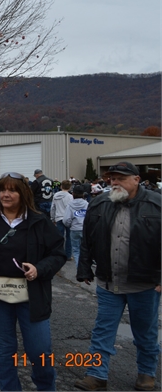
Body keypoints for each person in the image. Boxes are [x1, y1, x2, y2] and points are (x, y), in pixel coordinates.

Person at [0, 172, 65, 391]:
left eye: (12, 190)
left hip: (31, 297)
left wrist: (39, 269)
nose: (6, 194)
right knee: (5, 351)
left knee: (39, 352)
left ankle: (46, 387)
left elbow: (58, 254)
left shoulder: (39, 221)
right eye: (2, 189)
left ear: (23, 193)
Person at [74, 161, 161, 392]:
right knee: (102, 330)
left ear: (136, 180)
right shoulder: (100, 203)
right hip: (108, 282)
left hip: (144, 283)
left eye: (121, 178)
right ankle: (96, 375)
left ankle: (146, 374)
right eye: (112, 178)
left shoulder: (157, 204)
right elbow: (87, 238)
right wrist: (84, 268)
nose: (114, 182)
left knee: (145, 333)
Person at [62, 185, 88, 266]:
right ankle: (87, 269)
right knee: (86, 250)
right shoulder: (87, 204)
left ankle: (79, 269)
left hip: (74, 229)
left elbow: (66, 219)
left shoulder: (70, 205)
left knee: (76, 250)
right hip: (85, 228)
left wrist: (70, 225)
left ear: (73, 194)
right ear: (83, 194)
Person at [50, 179, 73, 260]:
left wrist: (52, 218)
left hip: (58, 217)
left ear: (61, 186)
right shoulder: (70, 197)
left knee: (60, 237)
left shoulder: (55, 195)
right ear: (70, 187)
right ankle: (68, 255)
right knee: (69, 237)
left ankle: (59, 253)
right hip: (67, 218)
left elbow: (53, 208)